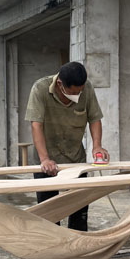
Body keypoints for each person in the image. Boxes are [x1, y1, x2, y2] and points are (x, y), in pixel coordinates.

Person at [24, 61, 109, 231]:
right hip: (46, 157)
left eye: (80, 91)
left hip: (75, 157)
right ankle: (53, 244)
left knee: (79, 207)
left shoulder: (86, 88)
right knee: (49, 211)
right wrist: (45, 159)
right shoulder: (40, 89)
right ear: (60, 84)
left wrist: (97, 146)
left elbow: (94, 119)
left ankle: (77, 243)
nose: (78, 95)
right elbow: (36, 125)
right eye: (74, 92)